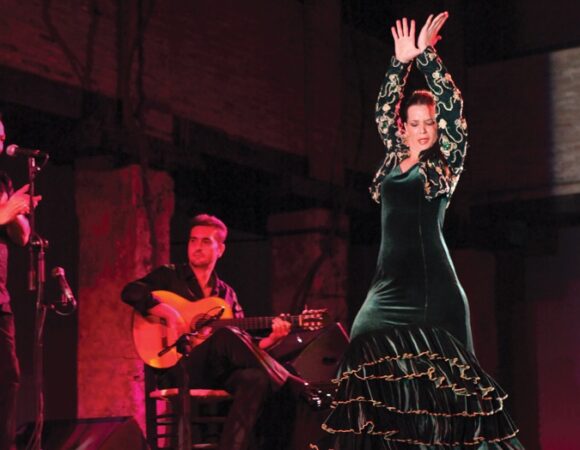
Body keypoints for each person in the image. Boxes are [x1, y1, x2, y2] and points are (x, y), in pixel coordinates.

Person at [313, 13, 525, 449]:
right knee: (366, 352)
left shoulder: (446, 163)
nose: (425, 130)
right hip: (387, 286)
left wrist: (426, 56)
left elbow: (453, 107)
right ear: (404, 128)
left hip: (434, 290)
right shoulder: (392, 158)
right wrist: (398, 63)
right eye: (416, 123)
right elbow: (380, 111)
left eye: (430, 123)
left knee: (443, 399)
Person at [122, 213, 327, 450]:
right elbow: (130, 292)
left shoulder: (226, 294)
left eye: (205, 241)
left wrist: (272, 339)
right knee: (226, 335)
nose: (196, 247)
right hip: (180, 367)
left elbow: (243, 347)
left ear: (221, 249)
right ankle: (294, 383)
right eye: (193, 240)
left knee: (257, 378)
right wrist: (169, 312)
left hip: (217, 372)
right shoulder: (169, 276)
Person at [0, 116, 42, 450]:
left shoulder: (2, 180)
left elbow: (23, 238)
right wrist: (4, 213)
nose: (0, 144)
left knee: (8, 377)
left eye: (1, 138)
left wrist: (16, 214)